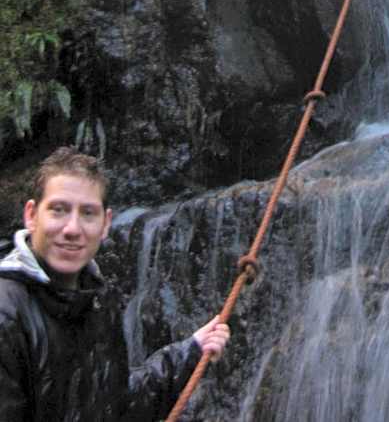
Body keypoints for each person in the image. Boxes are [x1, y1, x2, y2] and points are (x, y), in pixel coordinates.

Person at [0, 146, 230, 421]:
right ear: (31, 215)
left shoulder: (99, 302)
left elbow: (118, 407)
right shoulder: (7, 314)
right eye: (59, 210)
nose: (73, 229)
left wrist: (189, 352)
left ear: (105, 223)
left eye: (87, 213)